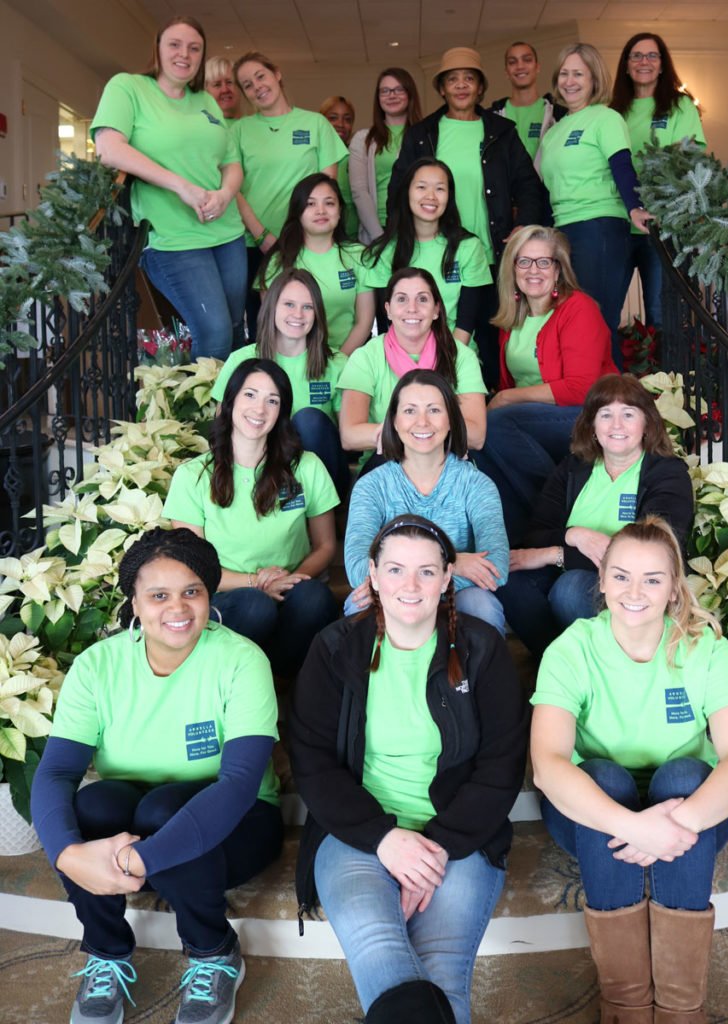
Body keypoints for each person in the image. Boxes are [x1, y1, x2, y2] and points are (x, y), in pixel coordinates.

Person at [30, 527, 283, 1024]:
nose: (178, 608)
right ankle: (106, 951)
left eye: (192, 591)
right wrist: (68, 854)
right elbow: (57, 770)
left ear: (210, 596)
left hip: (239, 824)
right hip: (138, 829)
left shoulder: (242, 660)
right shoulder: (97, 666)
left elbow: (237, 786)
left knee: (164, 810)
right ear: (135, 603)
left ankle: (213, 951)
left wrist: (141, 856)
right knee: (90, 807)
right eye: (159, 595)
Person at [291, 514, 528, 1024]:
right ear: (372, 575)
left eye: (426, 571)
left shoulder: (482, 648)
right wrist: (385, 838)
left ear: (448, 579)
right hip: (357, 833)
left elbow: (501, 766)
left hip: (462, 837)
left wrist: (438, 846)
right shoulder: (334, 649)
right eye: (396, 570)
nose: (411, 585)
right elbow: (312, 764)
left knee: (441, 972)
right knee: (381, 950)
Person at [531, 516, 728, 1023]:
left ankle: (681, 1009)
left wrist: (677, 824)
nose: (634, 591)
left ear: (674, 588)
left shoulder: (706, 648)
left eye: (652, 579)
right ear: (602, 580)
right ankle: (626, 1006)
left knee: (683, 776)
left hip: (693, 820)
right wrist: (634, 828)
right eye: (621, 576)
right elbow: (546, 766)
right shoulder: (572, 649)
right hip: (591, 820)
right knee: (602, 777)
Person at [164, 358, 339, 678]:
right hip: (226, 595)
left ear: (282, 412)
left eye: (272, 400)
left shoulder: (307, 467)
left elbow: (326, 545)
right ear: (229, 403)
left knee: (314, 598)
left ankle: (279, 686)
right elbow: (192, 566)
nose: (260, 409)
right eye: (250, 395)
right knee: (255, 606)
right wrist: (254, 583)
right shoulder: (193, 475)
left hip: (290, 588)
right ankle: (243, 682)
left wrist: (289, 579)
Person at [498, 373, 693, 663]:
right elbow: (535, 534)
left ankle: (610, 669)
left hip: (636, 588)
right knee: (511, 582)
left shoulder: (667, 473)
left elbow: (654, 550)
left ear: (646, 424)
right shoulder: (574, 469)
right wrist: (574, 534)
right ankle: (558, 665)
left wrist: (556, 553)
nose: (616, 425)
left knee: (571, 588)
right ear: (591, 426)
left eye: (628, 414)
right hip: (568, 578)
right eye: (605, 415)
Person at [389, 46, 548, 387]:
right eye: (452, 79)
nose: (461, 85)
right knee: (432, 334)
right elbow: (398, 191)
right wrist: (400, 240)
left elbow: (530, 186)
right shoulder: (422, 134)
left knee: (490, 343)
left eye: (469, 79)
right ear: (442, 88)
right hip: (436, 257)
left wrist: (525, 226)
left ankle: (487, 412)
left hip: (491, 257)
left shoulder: (501, 131)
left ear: (480, 88)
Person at [91, 16, 247, 360]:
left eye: (194, 48)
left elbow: (231, 163)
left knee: (235, 327)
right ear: (158, 49)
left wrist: (224, 194)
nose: (184, 54)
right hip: (172, 236)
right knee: (214, 330)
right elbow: (109, 149)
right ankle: (208, 415)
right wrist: (181, 187)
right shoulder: (128, 87)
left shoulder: (206, 101)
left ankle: (237, 410)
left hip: (226, 230)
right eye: (174, 44)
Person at [472, 226, 617, 546]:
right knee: (480, 443)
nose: (533, 271)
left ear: (558, 269)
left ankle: (556, 507)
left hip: (586, 414)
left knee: (495, 424)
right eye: (524, 262)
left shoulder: (578, 308)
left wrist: (506, 398)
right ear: (512, 268)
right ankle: (514, 539)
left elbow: (583, 388)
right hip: (534, 423)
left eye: (543, 262)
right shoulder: (514, 317)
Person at [345, 369, 508, 633]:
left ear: (451, 420)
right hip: (397, 597)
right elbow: (357, 569)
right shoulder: (372, 486)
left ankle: (475, 676)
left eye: (434, 410)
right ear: (394, 422)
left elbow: (496, 566)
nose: (422, 422)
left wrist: (423, 575)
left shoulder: (476, 484)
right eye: (410, 411)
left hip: (457, 596)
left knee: (482, 605)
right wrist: (454, 562)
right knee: (361, 602)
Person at [539, 43, 652, 368]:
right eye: (564, 74)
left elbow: (621, 165)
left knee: (597, 321)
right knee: (575, 322)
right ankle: (586, 402)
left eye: (578, 74)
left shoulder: (605, 118)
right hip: (563, 232)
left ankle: (613, 405)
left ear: (593, 80)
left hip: (600, 228)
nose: (569, 81)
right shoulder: (553, 132)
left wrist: (634, 208)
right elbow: (551, 189)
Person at [232, 53, 347, 339]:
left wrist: (306, 233)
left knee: (307, 324)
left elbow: (327, 187)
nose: (257, 86)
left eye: (261, 76)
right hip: (253, 246)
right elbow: (231, 188)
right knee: (265, 330)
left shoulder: (316, 124)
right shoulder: (238, 131)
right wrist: (262, 237)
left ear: (277, 74)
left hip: (308, 244)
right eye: (247, 84)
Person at [211, 269, 349, 497]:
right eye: (289, 304)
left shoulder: (336, 364)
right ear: (272, 306)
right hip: (258, 472)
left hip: (320, 480)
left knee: (309, 419)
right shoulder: (241, 360)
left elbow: (346, 437)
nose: (298, 314)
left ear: (317, 313)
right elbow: (221, 427)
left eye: (308, 307)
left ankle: (323, 513)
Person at [337, 268, 487, 468]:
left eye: (422, 299)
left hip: (446, 460)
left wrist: (418, 433)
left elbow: (476, 435)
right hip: (387, 461)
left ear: (436, 310)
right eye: (402, 299)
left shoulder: (462, 357)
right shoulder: (365, 357)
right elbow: (349, 435)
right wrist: (418, 433)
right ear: (388, 310)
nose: (412, 308)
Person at [611, 33, 706, 329]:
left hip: (662, 227)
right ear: (626, 65)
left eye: (652, 55)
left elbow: (690, 160)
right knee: (605, 309)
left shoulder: (680, 106)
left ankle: (666, 376)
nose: (644, 62)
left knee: (661, 313)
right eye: (636, 56)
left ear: (663, 65)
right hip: (616, 221)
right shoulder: (611, 111)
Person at [363, 158, 492, 347]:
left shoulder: (468, 247)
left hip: (454, 355)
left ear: (449, 196)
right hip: (400, 358)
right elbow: (386, 323)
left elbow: (466, 324)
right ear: (407, 191)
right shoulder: (384, 251)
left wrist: (444, 364)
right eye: (421, 187)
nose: (431, 196)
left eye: (440, 189)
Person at [258, 173, 375, 355]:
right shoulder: (279, 260)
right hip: (294, 358)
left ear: (340, 210)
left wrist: (338, 363)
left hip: (347, 360)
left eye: (329, 203)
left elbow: (364, 322)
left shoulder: (358, 256)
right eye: (310, 204)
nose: (321, 211)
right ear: (297, 212)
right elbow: (271, 323)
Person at [349, 68, 423, 243]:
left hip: (420, 230)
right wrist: (379, 238)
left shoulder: (426, 136)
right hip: (379, 229)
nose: (392, 95)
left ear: (410, 93)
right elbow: (359, 191)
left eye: (399, 89)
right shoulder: (363, 139)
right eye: (385, 91)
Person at [490, 40, 561, 169]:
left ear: (537, 67)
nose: (520, 66)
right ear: (506, 71)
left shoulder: (559, 115)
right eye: (512, 62)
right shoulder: (491, 118)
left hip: (546, 188)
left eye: (527, 60)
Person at [320, 94, 360, 240]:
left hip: (354, 236)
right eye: (333, 118)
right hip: (322, 234)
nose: (341, 124)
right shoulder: (312, 155)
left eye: (347, 119)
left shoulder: (358, 156)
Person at [204, 55, 244, 119]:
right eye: (217, 85)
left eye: (229, 82)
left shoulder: (252, 125)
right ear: (206, 91)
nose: (225, 90)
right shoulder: (198, 126)